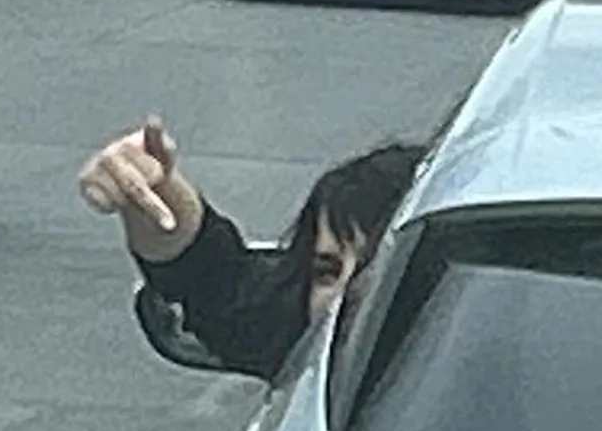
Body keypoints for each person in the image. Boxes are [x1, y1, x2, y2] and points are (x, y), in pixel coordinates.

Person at [78, 118, 425, 383]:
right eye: (327, 272)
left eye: (380, 270)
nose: (344, 296)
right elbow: (215, 283)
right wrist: (152, 188)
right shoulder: (300, 336)